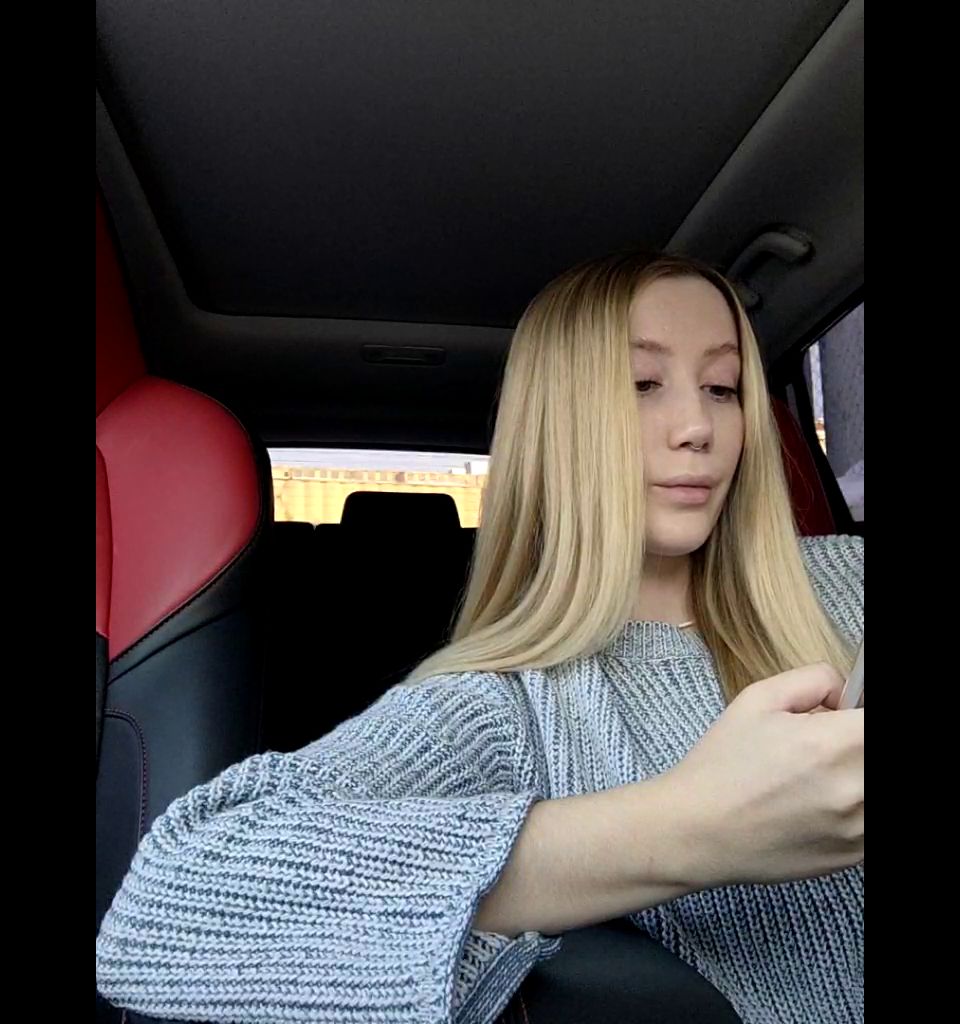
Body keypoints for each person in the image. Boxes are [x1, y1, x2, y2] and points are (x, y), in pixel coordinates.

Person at [96, 251, 864, 1024]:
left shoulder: (848, 577)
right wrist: (690, 825)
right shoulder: (502, 703)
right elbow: (167, 907)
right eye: (642, 384)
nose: (698, 428)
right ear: (560, 421)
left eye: (722, 387)